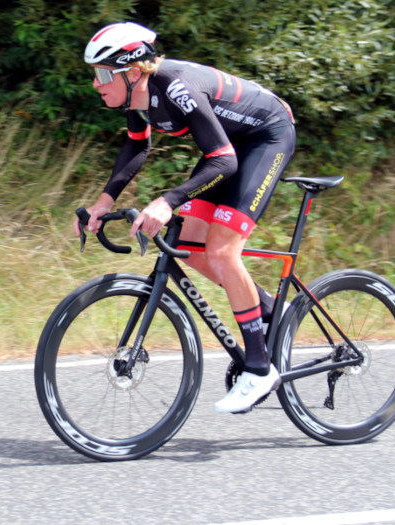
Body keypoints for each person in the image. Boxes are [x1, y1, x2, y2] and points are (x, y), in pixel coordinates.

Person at [76, 22, 296, 413]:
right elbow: (136, 146)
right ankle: (265, 308)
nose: (96, 84)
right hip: (230, 146)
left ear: (132, 71)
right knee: (190, 250)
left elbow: (224, 160)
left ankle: (260, 369)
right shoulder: (137, 98)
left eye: (103, 74)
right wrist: (103, 202)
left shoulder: (175, 87)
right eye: (95, 74)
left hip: (265, 137)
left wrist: (167, 201)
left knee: (223, 251)